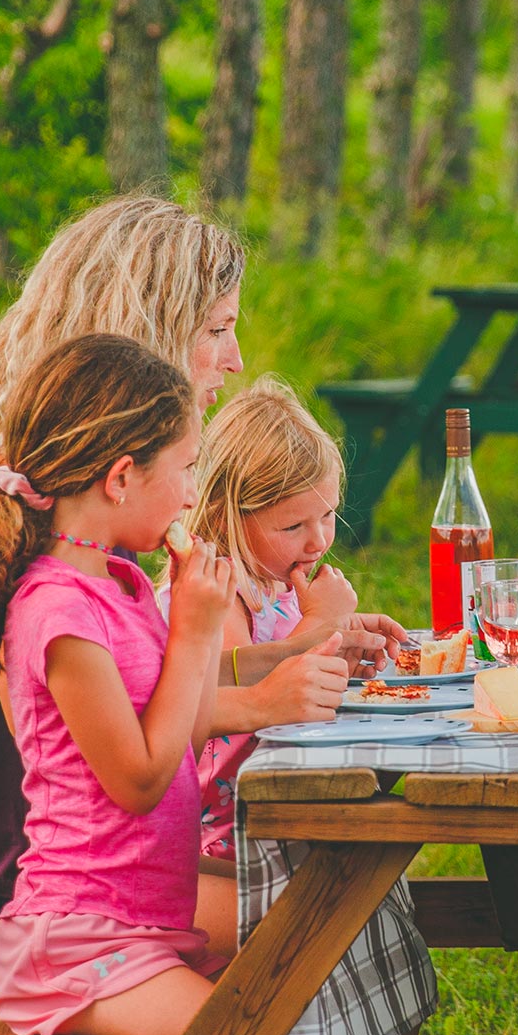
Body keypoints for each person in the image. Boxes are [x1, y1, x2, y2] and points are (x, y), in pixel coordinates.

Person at [0, 195, 403, 995]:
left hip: (106, 871)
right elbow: (121, 762)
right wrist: (263, 689)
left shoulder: (89, 520)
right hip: (30, 896)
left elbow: (147, 686)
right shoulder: (42, 547)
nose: (234, 359)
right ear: (143, 337)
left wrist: (298, 649)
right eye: (216, 329)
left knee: (348, 904)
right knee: (329, 926)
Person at [0, 332, 386, 1035]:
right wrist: (196, 627)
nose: (195, 493)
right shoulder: (59, 614)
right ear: (122, 478)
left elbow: (175, 718)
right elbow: (142, 777)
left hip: (138, 929)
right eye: (186, 469)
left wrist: (283, 676)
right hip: (78, 945)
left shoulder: (116, 583)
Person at [174, 376, 373, 952]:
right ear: (225, 516)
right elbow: (240, 695)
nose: (318, 541)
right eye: (293, 526)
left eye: (328, 516)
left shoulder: (276, 588)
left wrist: (344, 645)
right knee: (349, 887)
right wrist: (322, 626)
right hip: (227, 830)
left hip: (281, 804)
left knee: (365, 873)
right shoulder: (218, 591)